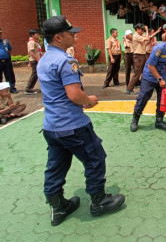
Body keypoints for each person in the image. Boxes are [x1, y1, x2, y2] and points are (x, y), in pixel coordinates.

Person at [37, 15, 125, 226]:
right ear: (58, 37)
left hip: (52, 126)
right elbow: (74, 95)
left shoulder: (44, 59)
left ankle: (58, 207)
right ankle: (99, 201)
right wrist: (90, 100)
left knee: (56, 166)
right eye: (70, 33)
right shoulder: (66, 61)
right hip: (72, 125)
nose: (74, 35)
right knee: (95, 158)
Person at [130, 31, 166, 132]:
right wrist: (160, 79)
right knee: (143, 97)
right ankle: (135, 118)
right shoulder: (159, 48)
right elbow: (150, 66)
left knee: (163, 99)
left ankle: (159, 121)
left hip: (162, 74)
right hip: (150, 75)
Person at [126, 24, 149, 95]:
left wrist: (156, 32)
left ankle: (145, 88)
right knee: (137, 73)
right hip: (138, 56)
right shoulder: (136, 36)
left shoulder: (139, 36)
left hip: (142, 55)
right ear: (137, 29)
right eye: (141, 30)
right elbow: (147, 38)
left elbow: (148, 37)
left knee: (145, 72)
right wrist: (147, 30)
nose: (142, 31)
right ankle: (129, 88)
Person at [0, 28, 17, 94]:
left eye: (0, 34)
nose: (0, 35)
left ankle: (11, 88)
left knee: (9, 75)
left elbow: (10, 50)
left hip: (6, 61)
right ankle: (1, 89)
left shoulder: (5, 42)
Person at [25, 29, 42, 94]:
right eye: (37, 34)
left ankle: (29, 88)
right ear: (32, 35)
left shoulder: (35, 42)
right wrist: (38, 60)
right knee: (34, 74)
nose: (38, 36)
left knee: (36, 74)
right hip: (35, 60)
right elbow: (31, 52)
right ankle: (28, 88)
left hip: (35, 60)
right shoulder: (32, 42)